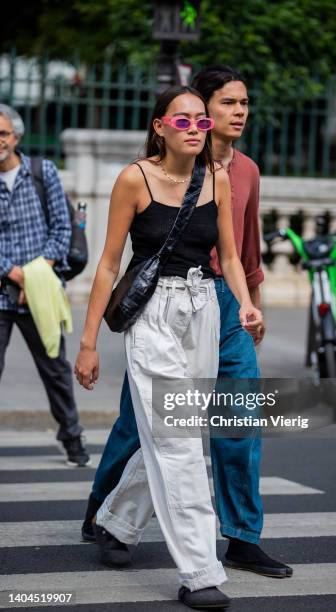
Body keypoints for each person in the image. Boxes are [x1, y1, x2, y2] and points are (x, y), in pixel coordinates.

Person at [82, 66, 293, 579]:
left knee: (236, 418)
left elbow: (244, 249)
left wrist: (251, 307)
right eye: (226, 104)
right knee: (147, 427)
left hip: (222, 303)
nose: (236, 113)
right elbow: (109, 263)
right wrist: (86, 342)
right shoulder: (141, 176)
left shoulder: (241, 173)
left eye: (244, 104)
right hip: (161, 306)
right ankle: (111, 517)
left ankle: (242, 538)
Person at [0, 104, 90, 467]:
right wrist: (13, 272)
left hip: (42, 289)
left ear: (16, 137)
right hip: (2, 288)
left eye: (3, 133)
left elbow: (62, 229)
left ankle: (71, 438)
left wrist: (36, 273)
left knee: (54, 369)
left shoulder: (42, 171)